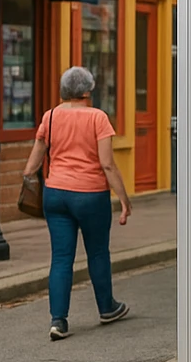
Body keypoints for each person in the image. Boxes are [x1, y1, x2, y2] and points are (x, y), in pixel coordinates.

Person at [22, 66, 131, 342]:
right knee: (97, 253)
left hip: (56, 194)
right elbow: (107, 163)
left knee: (61, 257)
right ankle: (106, 307)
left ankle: (58, 320)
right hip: (91, 195)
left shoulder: (51, 116)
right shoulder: (98, 118)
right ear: (86, 91)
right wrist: (124, 200)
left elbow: (32, 164)